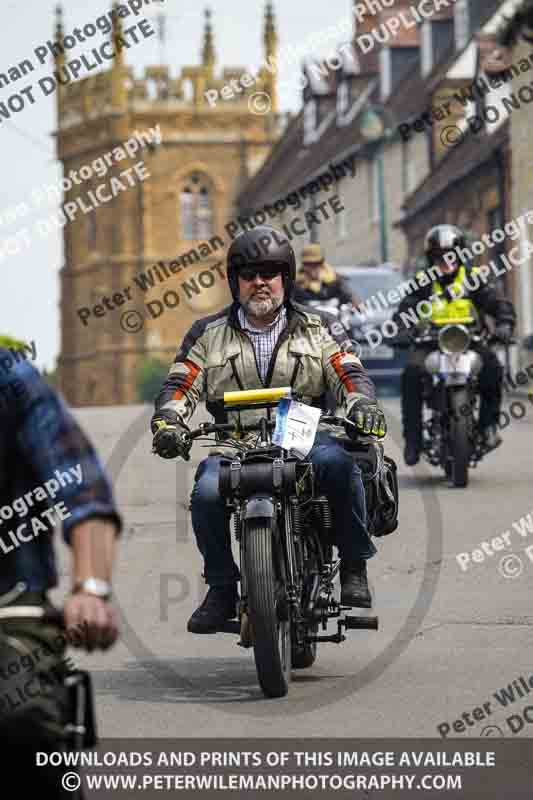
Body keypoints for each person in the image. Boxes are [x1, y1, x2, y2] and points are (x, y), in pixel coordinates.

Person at [150, 225, 387, 634]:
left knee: (339, 464)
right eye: (249, 274)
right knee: (206, 491)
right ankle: (222, 588)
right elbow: (181, 383)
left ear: (286, 278)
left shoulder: (320, 326)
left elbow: (348, 370)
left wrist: (361, 402)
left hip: (302, 434)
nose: (260, 282)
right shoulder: (206, 334)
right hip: (234, 442)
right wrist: (168, 420)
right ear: (234, 282)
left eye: (270, 273)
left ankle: (353, 566)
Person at [0, 334, 122, 794]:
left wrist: (90, 588)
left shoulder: (11, 378)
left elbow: (83, 490)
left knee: (21, 717)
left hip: (9, 603)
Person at [394, 224, 516, 466]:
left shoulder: (473, 280)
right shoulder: (422, 283)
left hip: (470, 339)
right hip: (431, 341)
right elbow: (405, 310)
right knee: (411, 374)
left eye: (451, 255)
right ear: (431, 258)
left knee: (493, 368)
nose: (445, 261)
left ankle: (488, 427)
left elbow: (497, 302)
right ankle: (414, 440)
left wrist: (504, 323)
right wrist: (401, 330)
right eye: (439, 256)